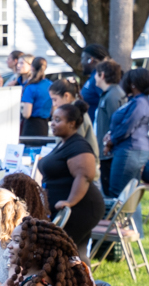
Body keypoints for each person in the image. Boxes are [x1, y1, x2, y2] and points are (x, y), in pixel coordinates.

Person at [40, 102, 105, 251]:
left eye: (58, 120)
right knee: (78, 253)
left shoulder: (78, 146)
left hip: (82, 209)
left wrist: (70, 202)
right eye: (53, 119)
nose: (52, 124)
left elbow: (85, 176)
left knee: (62, 251)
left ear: (72, 124)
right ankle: (85, 275)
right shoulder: (64, 143)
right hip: (74, 209)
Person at [105, 66, 149, 198]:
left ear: (133, 84)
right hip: (130, 150)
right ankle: (133, 220)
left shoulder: (140, 103)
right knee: (129, 194)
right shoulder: (136, 101)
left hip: (130, 151)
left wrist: (111, 141)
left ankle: (123, 219)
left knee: (118, 193)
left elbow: (128, 126)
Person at [93, 60, 126, 195]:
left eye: (96, 73)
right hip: (107, 152)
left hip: (110, 153)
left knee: (110, 192)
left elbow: (117, 123)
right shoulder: (108, 94)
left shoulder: (113, 96)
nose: (94, 77)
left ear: (102, 75)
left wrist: (108, 145)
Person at [50, 78, 99, 157]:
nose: (54, 104)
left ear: (66, 96)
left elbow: (75, 147)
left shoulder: (75, 114)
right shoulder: (73, 111)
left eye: (55, 99)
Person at [17, 55, 52, 137]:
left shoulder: (30, 87)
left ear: (32, 68)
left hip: (31, 125)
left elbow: (27, 114)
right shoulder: (50, 85)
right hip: (45, 124)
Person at [78, 44, 110, 113]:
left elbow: (108, 102)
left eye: (83, 58)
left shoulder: (100, 77)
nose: (81, 62)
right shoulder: (93, 76)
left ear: (90, 60)